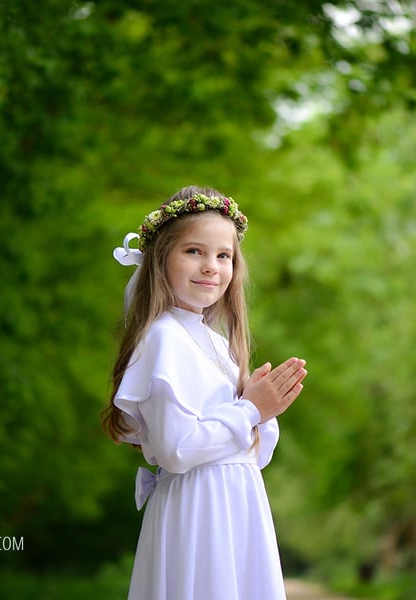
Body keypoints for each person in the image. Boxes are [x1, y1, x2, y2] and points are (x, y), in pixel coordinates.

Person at [102, 185, 308, 600]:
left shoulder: (214, 343)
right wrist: (249, 410)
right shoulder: (163, 339)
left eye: (223, 255)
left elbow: (251, 452)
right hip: (199, 512)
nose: (211, 266)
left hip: (237, 506)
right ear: (161, 260)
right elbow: (176, 450)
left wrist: (262, 412)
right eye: (194, 251)